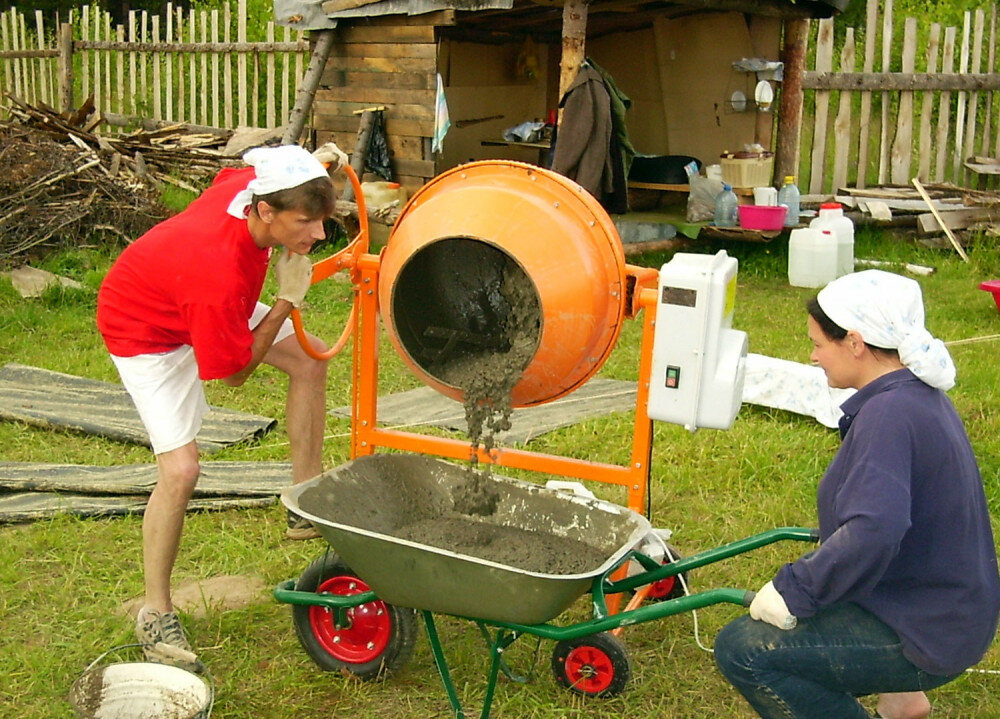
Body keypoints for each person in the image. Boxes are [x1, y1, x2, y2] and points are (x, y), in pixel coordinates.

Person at [96, 142, 347, 669]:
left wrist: (319, 165)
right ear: (265, 213)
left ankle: (303, 504)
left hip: (189, 293)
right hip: (145, 329)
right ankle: (155, 612)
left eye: (321, 221)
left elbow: (251, 166)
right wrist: (286, 300)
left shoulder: (252, 187)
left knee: (309, 361)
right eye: (307, 222)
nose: (318, 236)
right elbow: (234, 374)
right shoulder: (216, 269)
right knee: (182, 471)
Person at [714, 270, 1000, 719]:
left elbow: (877, 528)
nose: (812, 356)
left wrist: (795, 589)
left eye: (817, 344)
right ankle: (904, 703)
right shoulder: (914, 394)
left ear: (855, 342)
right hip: (946, 608)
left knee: (743, 649)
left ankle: (901, 687)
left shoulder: (889, 414)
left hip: (928, 627)